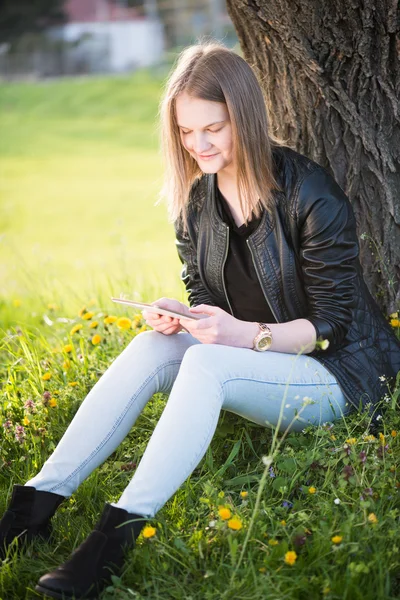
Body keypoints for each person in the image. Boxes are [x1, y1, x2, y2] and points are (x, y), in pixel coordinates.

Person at [1, 40, 399, 600]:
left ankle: (112, 540)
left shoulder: (310, 192)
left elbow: (331, 323)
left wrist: (244, 336)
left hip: (340, 373)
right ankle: (32, 508)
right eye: (186, 132)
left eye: (212, 128)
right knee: (149, 348)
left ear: (245, 116)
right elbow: (206, 292)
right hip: (258, 360)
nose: (198, 145)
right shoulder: (195, 200)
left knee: (209, 366)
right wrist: (183, 316)